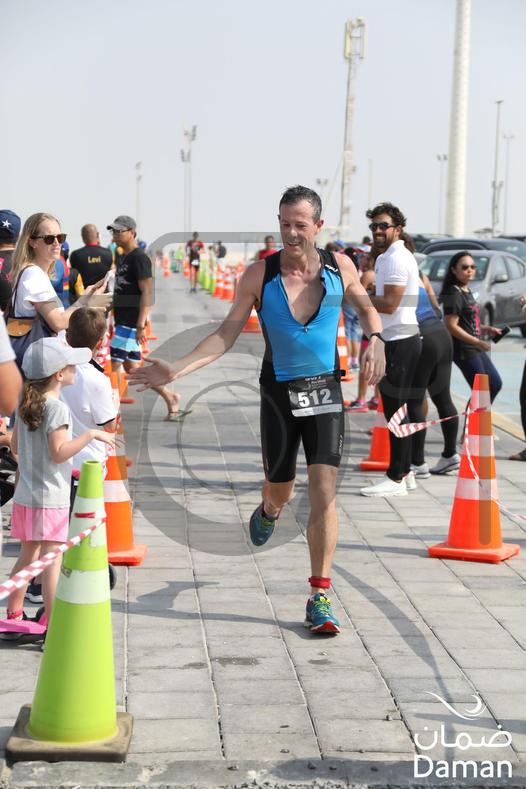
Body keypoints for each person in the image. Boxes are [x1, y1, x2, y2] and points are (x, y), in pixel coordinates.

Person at [129, 185, 385, 634]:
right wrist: (177, 368)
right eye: (284, 224)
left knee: (323, 489)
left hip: (324, 391)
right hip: (279, 394)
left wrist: (377, 340)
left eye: (300, 225)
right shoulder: (258, 276)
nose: (291, 233)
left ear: (318, 226)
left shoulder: (339, 267)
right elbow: (225, 336)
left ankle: (319, 594)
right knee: (280, 489)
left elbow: (367, 311)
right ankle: (269, 509)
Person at [6, 337, 115, 623]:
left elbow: (15, 446)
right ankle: (54, 623)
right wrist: (91, 435)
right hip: (51, 498)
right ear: (58, 374)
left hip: (26, 495)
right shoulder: (57, 409)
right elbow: (59, 453)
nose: (75, 369)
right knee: (51, 562)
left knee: (28, 557)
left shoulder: (27, 402)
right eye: (71, 365)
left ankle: (14, 613)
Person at [360, 203, 421, 498]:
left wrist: (358, 297)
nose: (378, 231)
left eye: (383, 225)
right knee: (397, 410)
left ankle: (396, 478)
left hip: (400, 341)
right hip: (398, 339)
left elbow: (390, 304)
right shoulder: (388, 256)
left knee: (396, 412)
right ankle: (405, 473)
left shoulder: (396, 258)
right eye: (374, 226)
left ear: (398, 228)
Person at [7, 213, 111, 368]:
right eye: (49, 238)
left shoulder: (35, 273)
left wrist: (85, 298)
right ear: (32, 242)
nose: (57, 243)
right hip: (35, 362)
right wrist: (88, 303)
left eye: (60, 237)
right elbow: (58, 322)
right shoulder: (34, 275)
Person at [107, 214, 185, 420]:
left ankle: (109, 414)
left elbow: (147, 292)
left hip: (131, 323)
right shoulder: (123, 257)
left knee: (113, 364)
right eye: (113, 230)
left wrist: (141, 324)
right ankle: (170, 397)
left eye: (119, 231)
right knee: (132, 369)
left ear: (132, 232)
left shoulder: (139, 258)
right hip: (123, 320)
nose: (115, 234)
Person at [61, 308, 118, 506]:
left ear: (67, 337)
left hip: (53, 460)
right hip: (86, 464)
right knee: (84, 518)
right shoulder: (97, 379)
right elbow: (110, 425)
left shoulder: (52, 368)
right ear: (100, 343)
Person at [408, 265, 459, 478]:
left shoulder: (387, 270)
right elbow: (436, 308)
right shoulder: (419, 273)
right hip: (441, 334)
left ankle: (417, 463)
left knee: (414, 400)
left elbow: (390, 309)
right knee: (443, 399)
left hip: (423, 335)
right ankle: (450, 455)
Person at [439, 251, 502, 405]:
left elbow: (467, 321)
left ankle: (475, 419)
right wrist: (477, 342)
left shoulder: (466, 290)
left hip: (474, 346)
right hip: (464, 349)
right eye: (465, 267)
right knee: (483, 389)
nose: (470, 270)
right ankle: (474, 421)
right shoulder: (454, 293)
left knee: (494, 384)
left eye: (473, 267)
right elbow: (451, 325)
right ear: (454, 270)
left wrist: (486, 328)